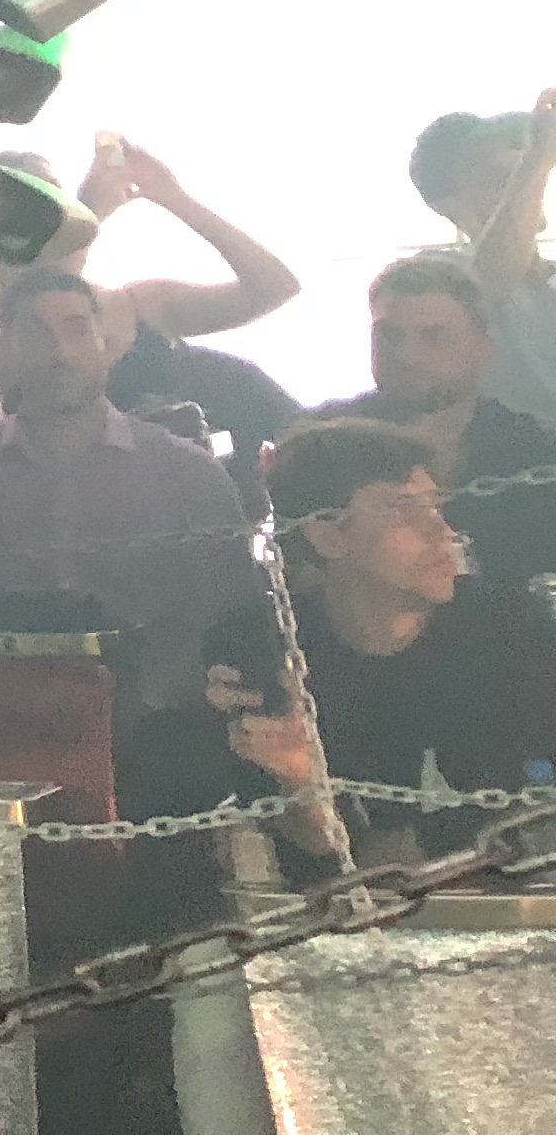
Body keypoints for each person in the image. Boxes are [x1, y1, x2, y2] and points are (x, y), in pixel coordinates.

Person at [132, 419, 556, 875]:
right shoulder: (267, 649)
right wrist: (299, 781)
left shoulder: (512, 627)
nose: (441, 530)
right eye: (402, 510)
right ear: (327, 535)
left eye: (435, 506)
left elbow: (523, 821)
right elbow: (314, 855)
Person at [0, 271, 252, 705]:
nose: (60, 353)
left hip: (153, 718)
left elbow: (236, 623)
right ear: (7, 351)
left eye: (77, 330)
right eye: (37, 334)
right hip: (1, 714)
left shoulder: (186, 473)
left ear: (106, 344)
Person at [0, 138, 301, 456]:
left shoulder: (140, 302)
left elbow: (274, 287)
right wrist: (89, 218)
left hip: (262, 432)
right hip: (158, 485)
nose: (56, 219)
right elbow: (48, 314)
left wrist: (172, 195)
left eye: (57, 204)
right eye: (38, 212)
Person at [316, 253, 556, 592]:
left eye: (434, 336)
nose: (407, 356)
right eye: (389, 335)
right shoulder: (322, 446)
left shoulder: (538, 454)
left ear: (483, 348)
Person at [409, 98, 556, 425]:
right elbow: (489, 280)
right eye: (501, 180)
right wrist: (537, 160)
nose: (527, 188)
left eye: (520, 175)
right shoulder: (434, 274)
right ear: (445, 206)